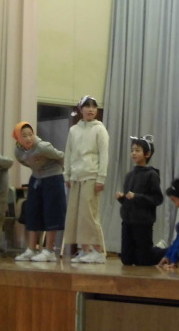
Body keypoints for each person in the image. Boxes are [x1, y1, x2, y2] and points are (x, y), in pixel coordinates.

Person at [63, 95, 109, 264]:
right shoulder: (73, 130)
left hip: (91, 176)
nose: (91, 109)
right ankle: (85, 249)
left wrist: (101, 178)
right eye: (87, 106)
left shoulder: (100, 129)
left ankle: (98, 251)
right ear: (80, 109)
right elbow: (69, 153)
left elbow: (104, 154)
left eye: (94, 106)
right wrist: (67, 175)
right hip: (76, 177)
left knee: (89, 214)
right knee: (77, 215)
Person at [12, 121, 66, 263]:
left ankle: (49, 251)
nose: (28, 138)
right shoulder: (18, 151)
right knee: (32, 212)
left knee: (51, 213)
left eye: (31, 134)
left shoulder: (42, 146)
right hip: (36, 178)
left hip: (53, 177)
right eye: (24, 136)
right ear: (18, 138)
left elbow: (61, 156)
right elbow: (25, 162)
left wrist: (62, 172)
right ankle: (31, 249)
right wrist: (38, 169)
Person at [116, 135, 165, 266]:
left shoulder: (151, 174)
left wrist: (137, 197)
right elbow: (129, 201)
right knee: (126, 260)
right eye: (132, 150)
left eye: (137, 150)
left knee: (143, 260)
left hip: (143, 222)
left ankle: (167, 251)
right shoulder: (129, 175)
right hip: (128, 221)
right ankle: (148, 251)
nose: (133, 153)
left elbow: (157, 199)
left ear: (147, 154)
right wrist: (122, 198)